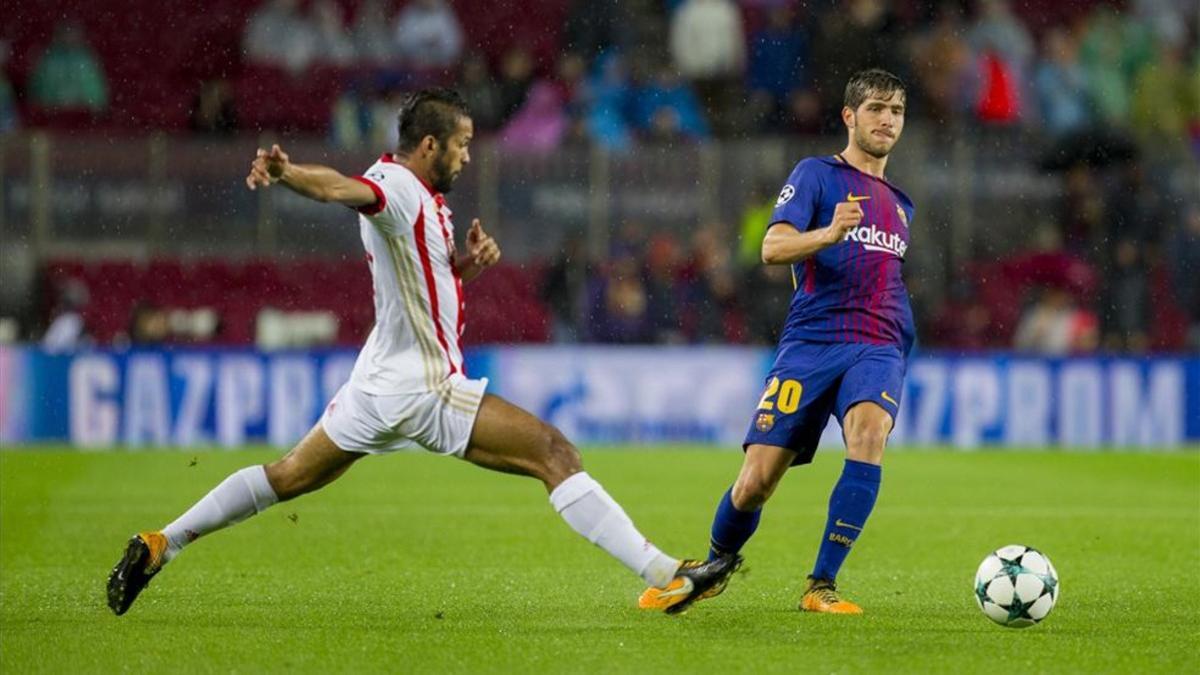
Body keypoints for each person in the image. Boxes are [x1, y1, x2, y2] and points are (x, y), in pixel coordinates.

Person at [106, 88, 739, 617]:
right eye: (462, 144)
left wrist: (465, 265)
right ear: (430, 144)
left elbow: (420, 278)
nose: (468, 155)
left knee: (287, 476)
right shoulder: (396, 185)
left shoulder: (425, 203)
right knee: (555, 453)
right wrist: (290, 173)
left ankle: (165, 539)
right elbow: (342, 190)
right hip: (421, 384)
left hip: (375, 382)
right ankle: (666, 574)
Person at [639, 69, 914, 614]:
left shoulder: (904, 206)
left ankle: (821, 586)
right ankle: (714, 567)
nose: (887, 120)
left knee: (868, 434)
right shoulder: (815, 175)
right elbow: (771, 247)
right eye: (877, 108)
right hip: (810, 344)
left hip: (878, 343)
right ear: (849, 116)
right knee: (756, 481)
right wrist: (828, 235)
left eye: (897, 111)